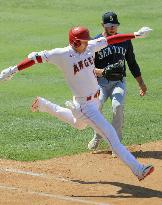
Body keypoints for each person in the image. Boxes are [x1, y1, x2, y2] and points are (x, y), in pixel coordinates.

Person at [0, 26, 154, 181]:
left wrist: (135, 35)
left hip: (94, 100)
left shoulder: (89, 46)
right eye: (84, 42)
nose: (88, 44)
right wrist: (13, 70)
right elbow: (35, 58)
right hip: (85, 106)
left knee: (79, 124)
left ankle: (44, 105)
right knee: (111, 136)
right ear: (74, 42)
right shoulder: (62, 54)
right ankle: (138, 169)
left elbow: (111, 40)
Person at [88, 12, 148, 157]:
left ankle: (116, 145)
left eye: (114, 25)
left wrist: (141, 83)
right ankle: (98, 135)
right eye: (109, 26)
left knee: (117, 105)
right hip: (100, 84)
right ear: (103, 25)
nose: (112, 28)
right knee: (97, 107)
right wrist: (103, 72)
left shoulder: (125, 41)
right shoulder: (96, 42)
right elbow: (88, 68)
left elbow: (132, 63)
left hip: (118, 82)